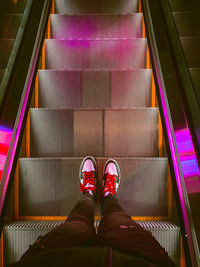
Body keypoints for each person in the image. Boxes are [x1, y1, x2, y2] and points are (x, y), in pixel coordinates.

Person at [8, 157, 176, 267]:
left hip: (53, 256)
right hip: (142, 257)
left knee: (77, 220)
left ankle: (89, 193)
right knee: (117, 217)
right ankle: (108, 195)